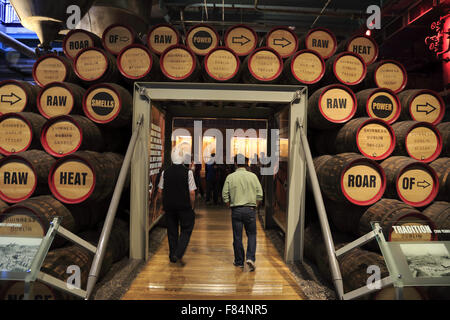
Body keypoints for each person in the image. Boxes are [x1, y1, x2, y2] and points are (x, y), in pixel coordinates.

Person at [222, 154, 263, 271]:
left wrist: (230, 205)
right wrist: (255, 205)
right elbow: (260, 194)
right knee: (252, 234)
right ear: (246, 163)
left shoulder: (230, 177)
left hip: (236, 210)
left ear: (235, 163)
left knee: (237, 236)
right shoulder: (253, 176)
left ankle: (239, 261)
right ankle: (250, 258)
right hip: (250, 209)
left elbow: (224, 195)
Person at [157, 148, 197, 266]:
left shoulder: (165, 172)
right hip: (184, 207)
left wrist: (161, 203)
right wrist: (192, 206)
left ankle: (172, 254)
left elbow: (160, 191)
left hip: (169, 207)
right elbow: (192, 193)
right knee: (186, 229)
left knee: (172, 231)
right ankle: (178, 253)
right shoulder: (188, 172)